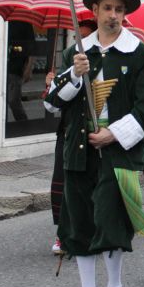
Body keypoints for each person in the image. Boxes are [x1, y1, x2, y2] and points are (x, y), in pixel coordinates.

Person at [44, 0, 144, 287]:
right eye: (107, 8)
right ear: (94, 11)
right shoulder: (76, 52)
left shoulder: (140, 55)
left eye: (119, 10)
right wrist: (73, 75)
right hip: (78, 152)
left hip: (118, 152)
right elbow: (52, 104)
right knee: (79, 222)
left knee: (111, 221)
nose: (113, 15)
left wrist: (114, 134)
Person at [45, 18, 97, 255]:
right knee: (63, 185)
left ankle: (92, 232)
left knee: (90, 190)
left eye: (85, 37)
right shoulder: (69, 60)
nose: (80, 42)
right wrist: (53, 85)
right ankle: (63, 234)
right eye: (78, 37)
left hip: (95, 138)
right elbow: (51, 105)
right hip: (68, 136)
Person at [6, 20, 35, 121]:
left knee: (13, 100)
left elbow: (32, 48)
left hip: (16, 67)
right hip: (2, 66)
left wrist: (29, 68)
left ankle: (24, 124)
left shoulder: (25, 22)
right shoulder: (5, 22)